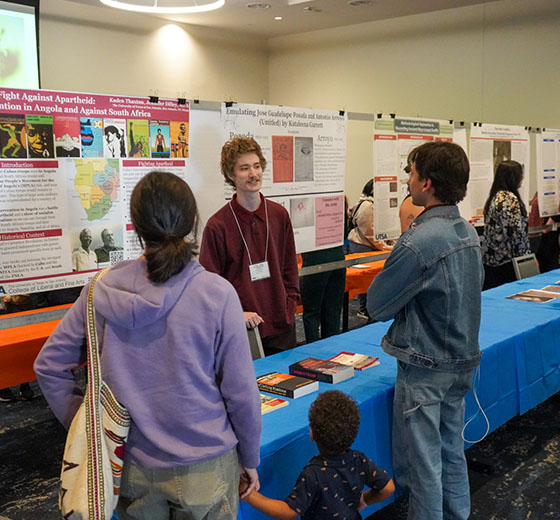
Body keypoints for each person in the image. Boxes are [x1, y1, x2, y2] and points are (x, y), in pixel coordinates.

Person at [34, 171, 262, 519]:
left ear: (136, 226)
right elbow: (241, 392)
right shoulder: (216, 294)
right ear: (193, 221)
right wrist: (249, 458)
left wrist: (88, 425)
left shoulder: (100, 290)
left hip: (129, 465)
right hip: (206, 464)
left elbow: (49, 365)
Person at [367, 141, 484, 520]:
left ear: (427, 183)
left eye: (411, 172)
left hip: (426, 368)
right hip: (461, 364)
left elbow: (376, 305)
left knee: (424, 465)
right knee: (451, 450)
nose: (407, 179)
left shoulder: (418, 242)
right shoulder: (467, 232)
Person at [199, 137, 300, 356]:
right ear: (230, 175)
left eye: (256, 166)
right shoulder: (218, 226)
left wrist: (289, 305)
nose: (253, 174)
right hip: (241, 330)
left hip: (282, 326)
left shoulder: (278, 214)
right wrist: (236, 314)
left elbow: (290, 265)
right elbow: (209, 286)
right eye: (244, 168)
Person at [240, 390, 394, 519]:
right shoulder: (359, 460)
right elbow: (387, 488)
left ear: (312, 434)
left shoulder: (312, 474)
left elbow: (289, 511)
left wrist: (250, 496)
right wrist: (365, 500)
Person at [347, 179, 393, 320]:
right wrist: (387, 247)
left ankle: (368, 309)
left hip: (370, 245)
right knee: (364, 279)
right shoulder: (367, 206)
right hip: (363, 245)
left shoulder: (373, 205)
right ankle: (365, 309)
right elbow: (370, 231)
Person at [481, 160, 530, 289]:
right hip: (507, 263)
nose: (522, 178)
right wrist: (527, 258)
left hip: (494, 262)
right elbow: (515, 234)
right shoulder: (508, 198)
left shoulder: (496, 195)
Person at [300, 245, 346, 343]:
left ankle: (314, 350)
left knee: (312, 312)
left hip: (315, 257)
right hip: (337, 255)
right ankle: (331, 348)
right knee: (333, 310)